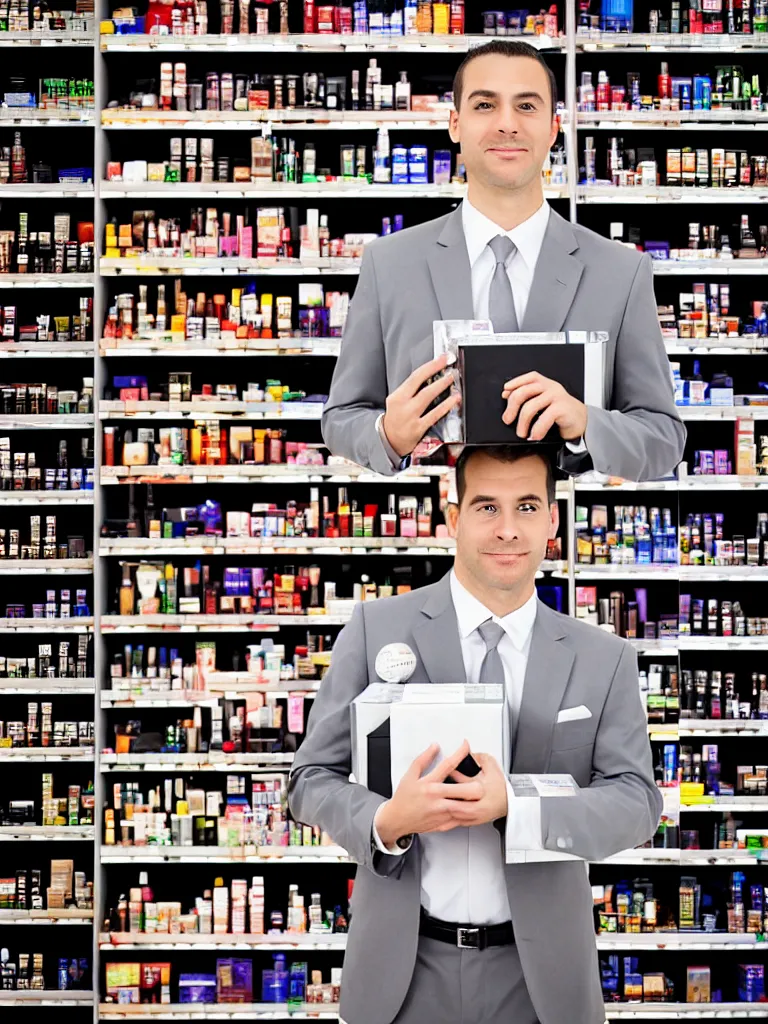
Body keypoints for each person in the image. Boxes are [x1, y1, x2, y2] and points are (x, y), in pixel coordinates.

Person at [288, 444, 662, 1024]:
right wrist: (388, 821)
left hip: (542, 981)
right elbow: (309, 780)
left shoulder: (603, 658)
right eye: (487, 507)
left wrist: (516, 806)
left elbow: (637, 803)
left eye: (528, 506)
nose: (508, 530)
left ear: (553, 520)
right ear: (454, 515)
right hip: (403, 974)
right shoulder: (375, 629)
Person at [321, 39, 685, 483]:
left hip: (560, 531)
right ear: (455, 123)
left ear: (554, 128)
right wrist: (386, 433)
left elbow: (664, 440)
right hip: (441, 535)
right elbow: (340, 418)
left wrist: (587, 424)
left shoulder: (620, 273)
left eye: (527, 106)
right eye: (485, 105)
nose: (507, 124)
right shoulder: (389, 264)